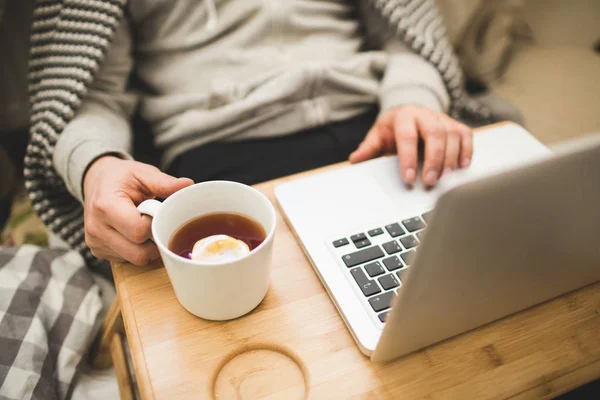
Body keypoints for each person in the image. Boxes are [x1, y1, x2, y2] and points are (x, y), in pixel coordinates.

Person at [26, 0, 483, 267]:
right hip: (223, 159)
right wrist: (95, 165)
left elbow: (407, 34)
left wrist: (414, 98)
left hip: (381, 127)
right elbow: (87, 94)